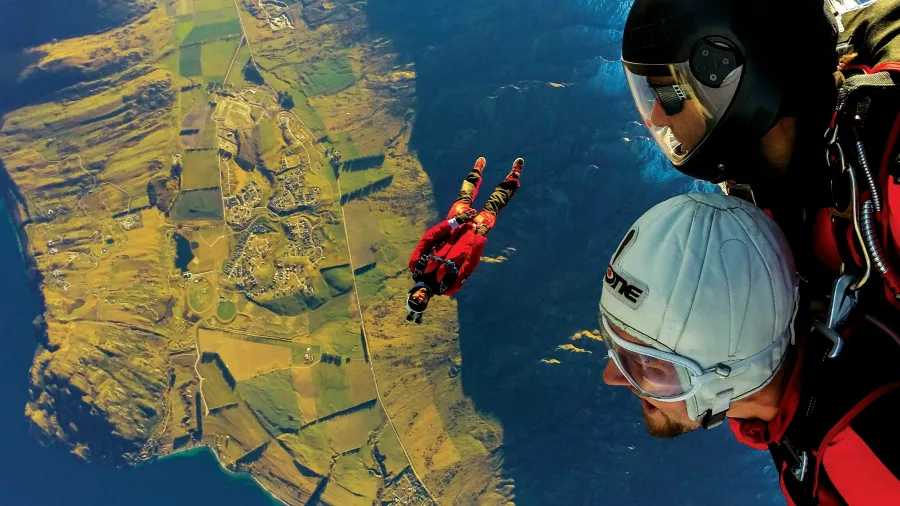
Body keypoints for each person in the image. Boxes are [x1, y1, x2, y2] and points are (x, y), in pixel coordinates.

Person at [600, 193, 900, 506]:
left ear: (731, 369)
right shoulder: (795, 409)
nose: (611, 376)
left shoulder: (870, 456)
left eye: (647, 362)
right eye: (612, 343)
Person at [405, 157, 523, 322]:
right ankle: (514, 175)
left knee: (466, 192)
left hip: (455, 223)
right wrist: (479, 237)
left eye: (415, 299)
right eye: (422, 303)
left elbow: (429, 238)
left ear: (411, 294)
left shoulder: (416, 266)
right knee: (495, 204)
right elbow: (469, 265)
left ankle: (477, 170)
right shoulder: (447, 287)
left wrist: (455, 221)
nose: (421, 298)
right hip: (474, 234)